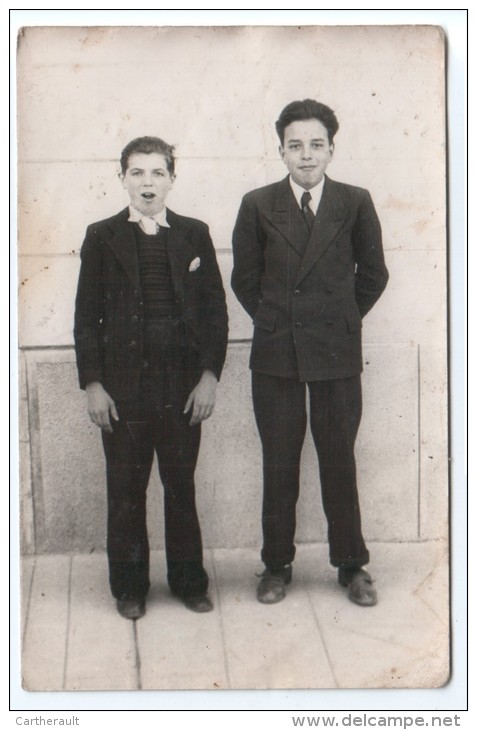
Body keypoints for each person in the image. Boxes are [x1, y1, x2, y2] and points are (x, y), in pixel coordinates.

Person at [231, 100, 388, 607]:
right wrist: (277, 321)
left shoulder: (355, 201)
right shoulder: (257, 204)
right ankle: (276, 565)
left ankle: (351, 565)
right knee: (279, 461)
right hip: (277, 352)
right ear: (281, 151)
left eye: (316, 144)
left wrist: (341, 319)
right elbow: (244, 280)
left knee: (339, 458)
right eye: (295, 145)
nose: (306, 155)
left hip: (336, 353)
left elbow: (374, 274)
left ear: (331, 149)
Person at [74, 136, 228, 620]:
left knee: (180, 486)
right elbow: (86, 319)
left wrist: (209, 377)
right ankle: (130, 587)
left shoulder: (194, 233)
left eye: (157, 173)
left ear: (172, 180)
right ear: (122, 178)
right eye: (137, 173)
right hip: (123, 391)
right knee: (125, 490)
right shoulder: (101, 237)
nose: (147, 183)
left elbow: (215, 313)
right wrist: (93, 385)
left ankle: (188, 582)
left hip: (181, 390)